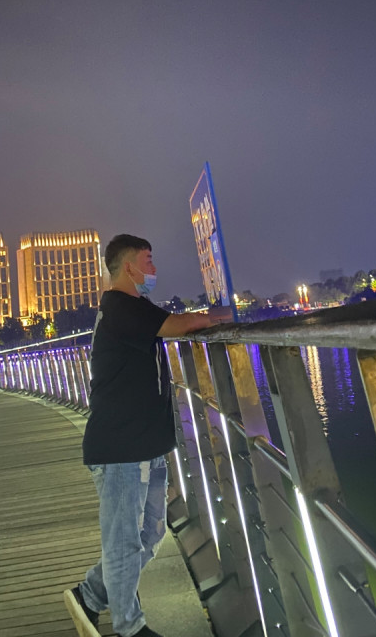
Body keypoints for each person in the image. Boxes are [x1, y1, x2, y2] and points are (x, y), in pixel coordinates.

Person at [64, 234, 219, 637]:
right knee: (123, 543)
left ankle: (89, 595)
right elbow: (177, 325)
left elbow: (165, 325)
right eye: (148, 260)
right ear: (129, 266)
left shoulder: (134, 307)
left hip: (144, 445)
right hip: (120, 447)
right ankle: (129, 629)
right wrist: (218, 316)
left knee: (150, 533)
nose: (153, 269)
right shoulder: (120, 306)